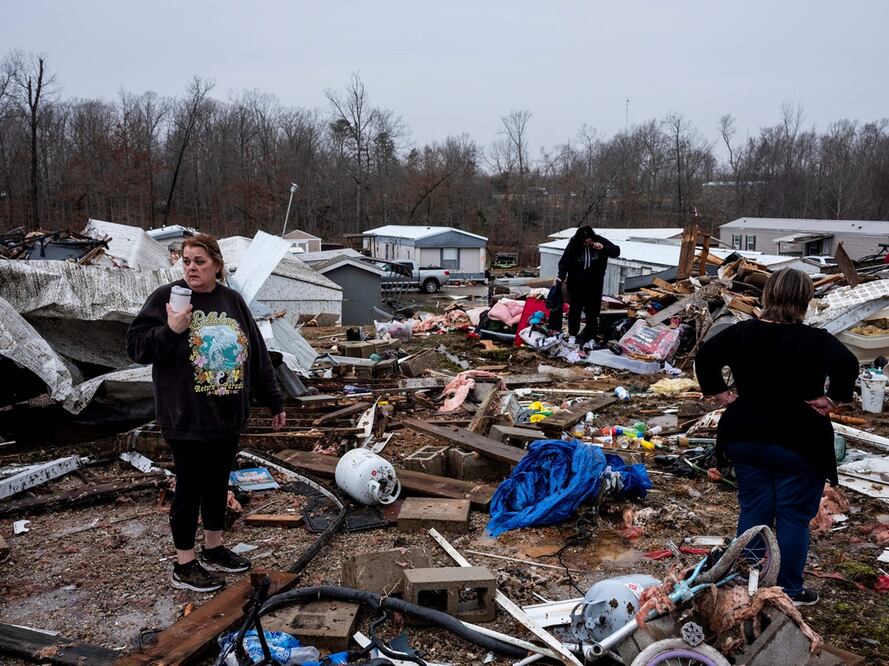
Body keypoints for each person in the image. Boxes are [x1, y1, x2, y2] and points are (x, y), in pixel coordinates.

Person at [126, 234, 286, 593]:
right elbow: (135, 347)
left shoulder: (232, 301)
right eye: (186, 261)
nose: (192, 267)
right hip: (185, 416)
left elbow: (257, 356)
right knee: (189, 488)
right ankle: (184, 563)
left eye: (199, 260)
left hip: (227, 415)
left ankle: (213, 547)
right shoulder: (167, 298)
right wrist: (170, 329)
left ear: (217, 264)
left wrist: (274, 401)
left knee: (217, 483)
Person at [695, 268, 857, 606]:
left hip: (746, 434)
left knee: (754, 509)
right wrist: (833, 399)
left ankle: (749, 583)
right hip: (799, 441)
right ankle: (788, 592)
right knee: (793, 515)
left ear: (768, 296)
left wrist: (721, 395)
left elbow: (706, 355)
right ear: (804, 301)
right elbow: (848, 363)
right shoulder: (817, 340)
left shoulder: (741, 333)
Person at [554, 225, 620, 343]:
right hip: (576, 285)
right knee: (575, 310)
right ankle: (573, 334)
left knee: (593, 312)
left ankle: (591, 337)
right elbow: (564, 262)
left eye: (589, 239)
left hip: (595, 284)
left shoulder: (599, 241)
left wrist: (603, 248)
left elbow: (616, 251)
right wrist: (560, 277)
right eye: (585, 240)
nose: (588, 242)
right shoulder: (573, 245)